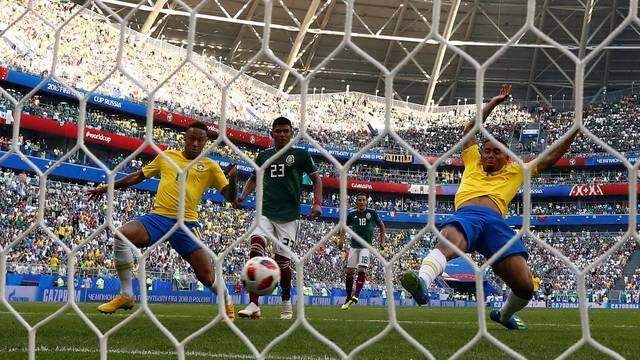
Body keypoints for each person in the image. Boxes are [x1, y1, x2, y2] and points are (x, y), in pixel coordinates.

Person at [400, 85, 578, 330]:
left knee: (525, 286)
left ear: (507, 156)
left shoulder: (517, 170)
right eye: (487, 151)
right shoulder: (472, 161)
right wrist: (493, 103)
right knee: (448, 241)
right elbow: (470, 130)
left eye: (497, 151)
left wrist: (574, 131)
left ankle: (503, 316)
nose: (490, 155)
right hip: (468, 215)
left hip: (496, 223)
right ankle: (421, 282)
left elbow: (549, 159)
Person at [87, 122, 238, 319]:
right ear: (184, 138)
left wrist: (233, 180)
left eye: (199, 140)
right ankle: (126, 294)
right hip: (158, 218)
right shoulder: (167, 156)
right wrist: (108, 187)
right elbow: (139, 176)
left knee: (206, 275)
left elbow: (230, 197)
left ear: (205, 142)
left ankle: (227, 303)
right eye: (191, 138)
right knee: (122, 235)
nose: (194, 143)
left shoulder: (210, 166)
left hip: (188, 224)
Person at [236, 116, 323, 320]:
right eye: (278, 131)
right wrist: (242, 195)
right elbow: (253, 178)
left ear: (291, 133)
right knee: (255, 250)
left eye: (286, 131)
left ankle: (285, 302)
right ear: (272, 133)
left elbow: (317, 179)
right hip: (265, 212)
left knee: (282, 263)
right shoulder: (263, 156)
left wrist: (317, 203)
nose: (282, 134)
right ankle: (253, 304)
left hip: (289, 217)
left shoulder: (300, 155)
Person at [340, 193, 385, 310]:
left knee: (361, 269)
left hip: (366, 247)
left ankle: (356, 295)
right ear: (357, 201)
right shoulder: (352, 214)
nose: (361, 202)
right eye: (359, 200)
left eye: (363, 200)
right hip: (354, 247)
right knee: (349, 272)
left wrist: (382, 241)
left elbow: (381, 226)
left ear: (366, 201)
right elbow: (343, 226)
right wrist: (341, 240)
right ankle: (348, 297)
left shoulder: (372, 213)